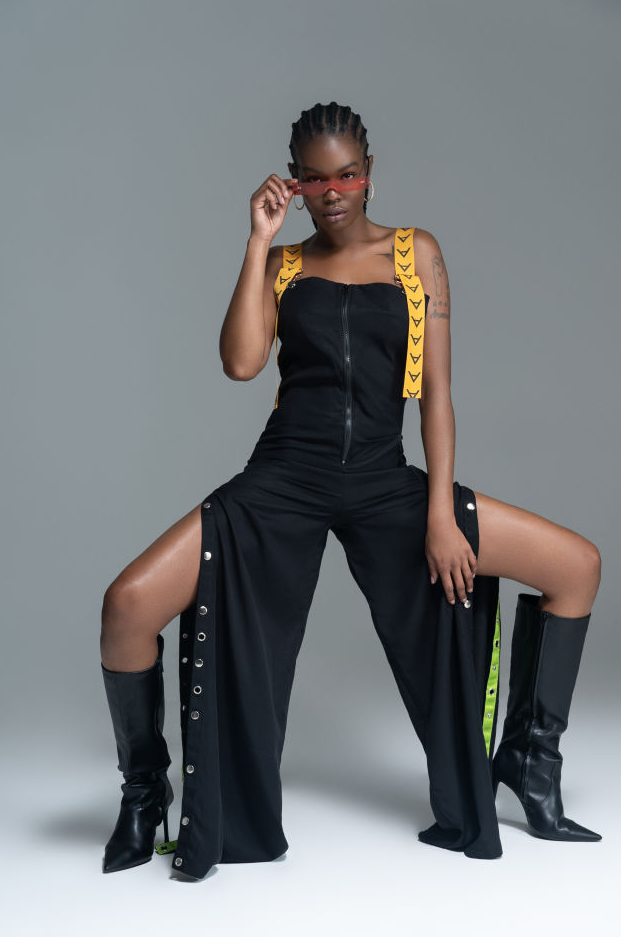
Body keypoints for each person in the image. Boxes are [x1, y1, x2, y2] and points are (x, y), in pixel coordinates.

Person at [99, 101, 602, 879]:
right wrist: (256, 240)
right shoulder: (281, 262)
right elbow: (240, 364)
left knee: (576, 566)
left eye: (346, 175)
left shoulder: (415, 253)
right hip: (283, 481)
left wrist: (440, 514)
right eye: (314, 179)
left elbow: (435, 395)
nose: (332, 192)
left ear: (369, 173)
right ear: (293, 182)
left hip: (383, 481)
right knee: (127, 605)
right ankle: (142, 797)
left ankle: (530, 765)